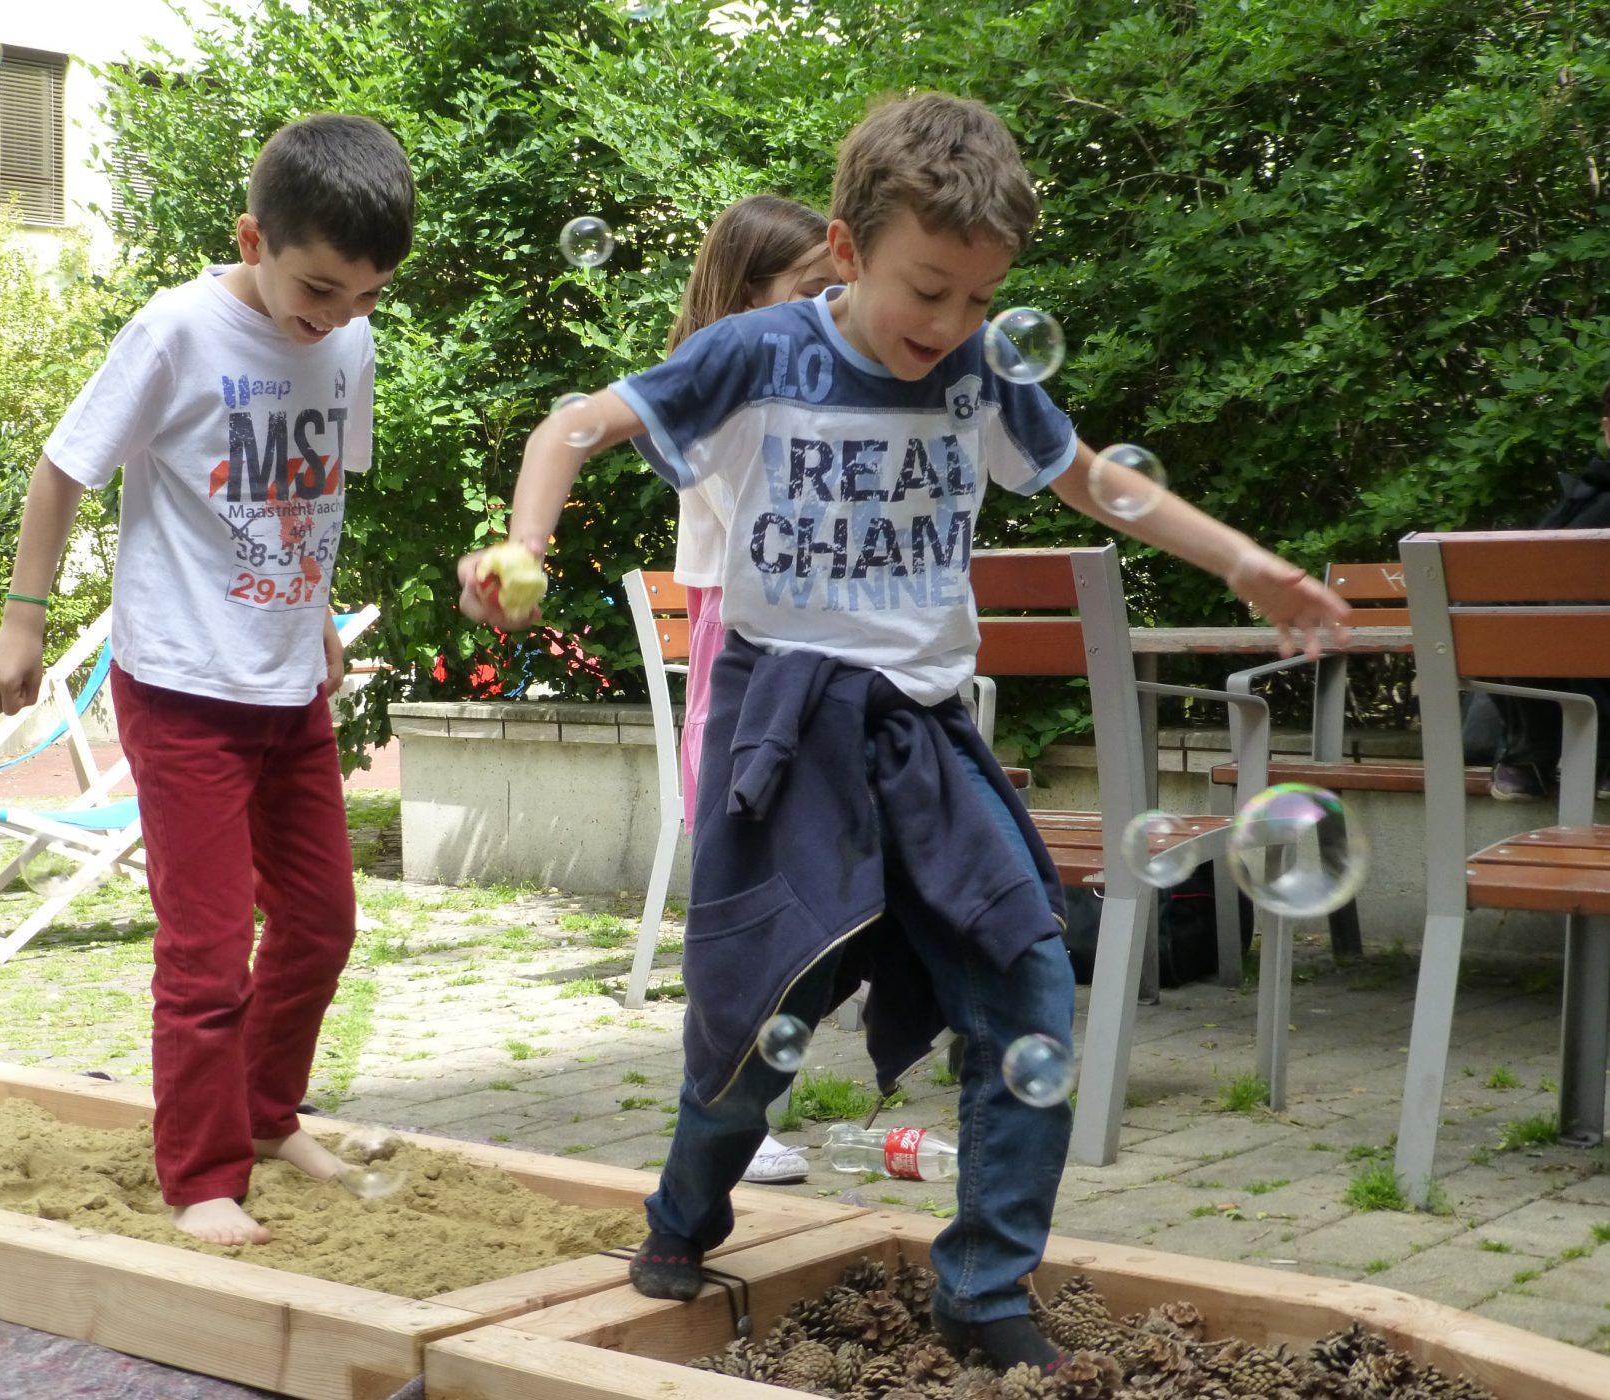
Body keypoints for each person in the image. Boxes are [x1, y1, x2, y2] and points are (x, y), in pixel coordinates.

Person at [458, 92, 1346, 1373]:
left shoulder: (978, 371)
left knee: (1026, 975)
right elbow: (573, 425)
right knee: (761, 1003)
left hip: (923, 730)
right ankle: (683, 1213)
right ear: (847, 246)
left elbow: (1095, 478)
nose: (950, 325)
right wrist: (521, 543)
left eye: (980, 300)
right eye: (928, 290)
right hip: (786, 726)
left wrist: (1244, 561)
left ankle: (983, 1285)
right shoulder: (758, 353)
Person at [0, 113, 415, 1248]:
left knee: (321, 924)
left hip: (287, 686)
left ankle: (268, 1117)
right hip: (180, 688)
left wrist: (315, 612)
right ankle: (202, 1178)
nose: (336, 316)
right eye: (318, 288)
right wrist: (23, 619)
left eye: (365, 296)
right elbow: (63, 467)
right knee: (208, 951)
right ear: (252, 239)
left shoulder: (348, 344)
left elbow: (311, 493)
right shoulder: (177, 329)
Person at [662, 195, 837, 1188]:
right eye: (810, 290)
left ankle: (745, 1095)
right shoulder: (721, 391)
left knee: (789, 881)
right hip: (748, 643)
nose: (829, 310)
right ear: (745, 296)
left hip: (797, 642)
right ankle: (727, 1104)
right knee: (740, 886)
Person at [1487, 379, 1610, 802]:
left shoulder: (1586, 497)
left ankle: (1533, 756)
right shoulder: (1587, 497)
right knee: (1522, 602)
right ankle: (1536, 755)